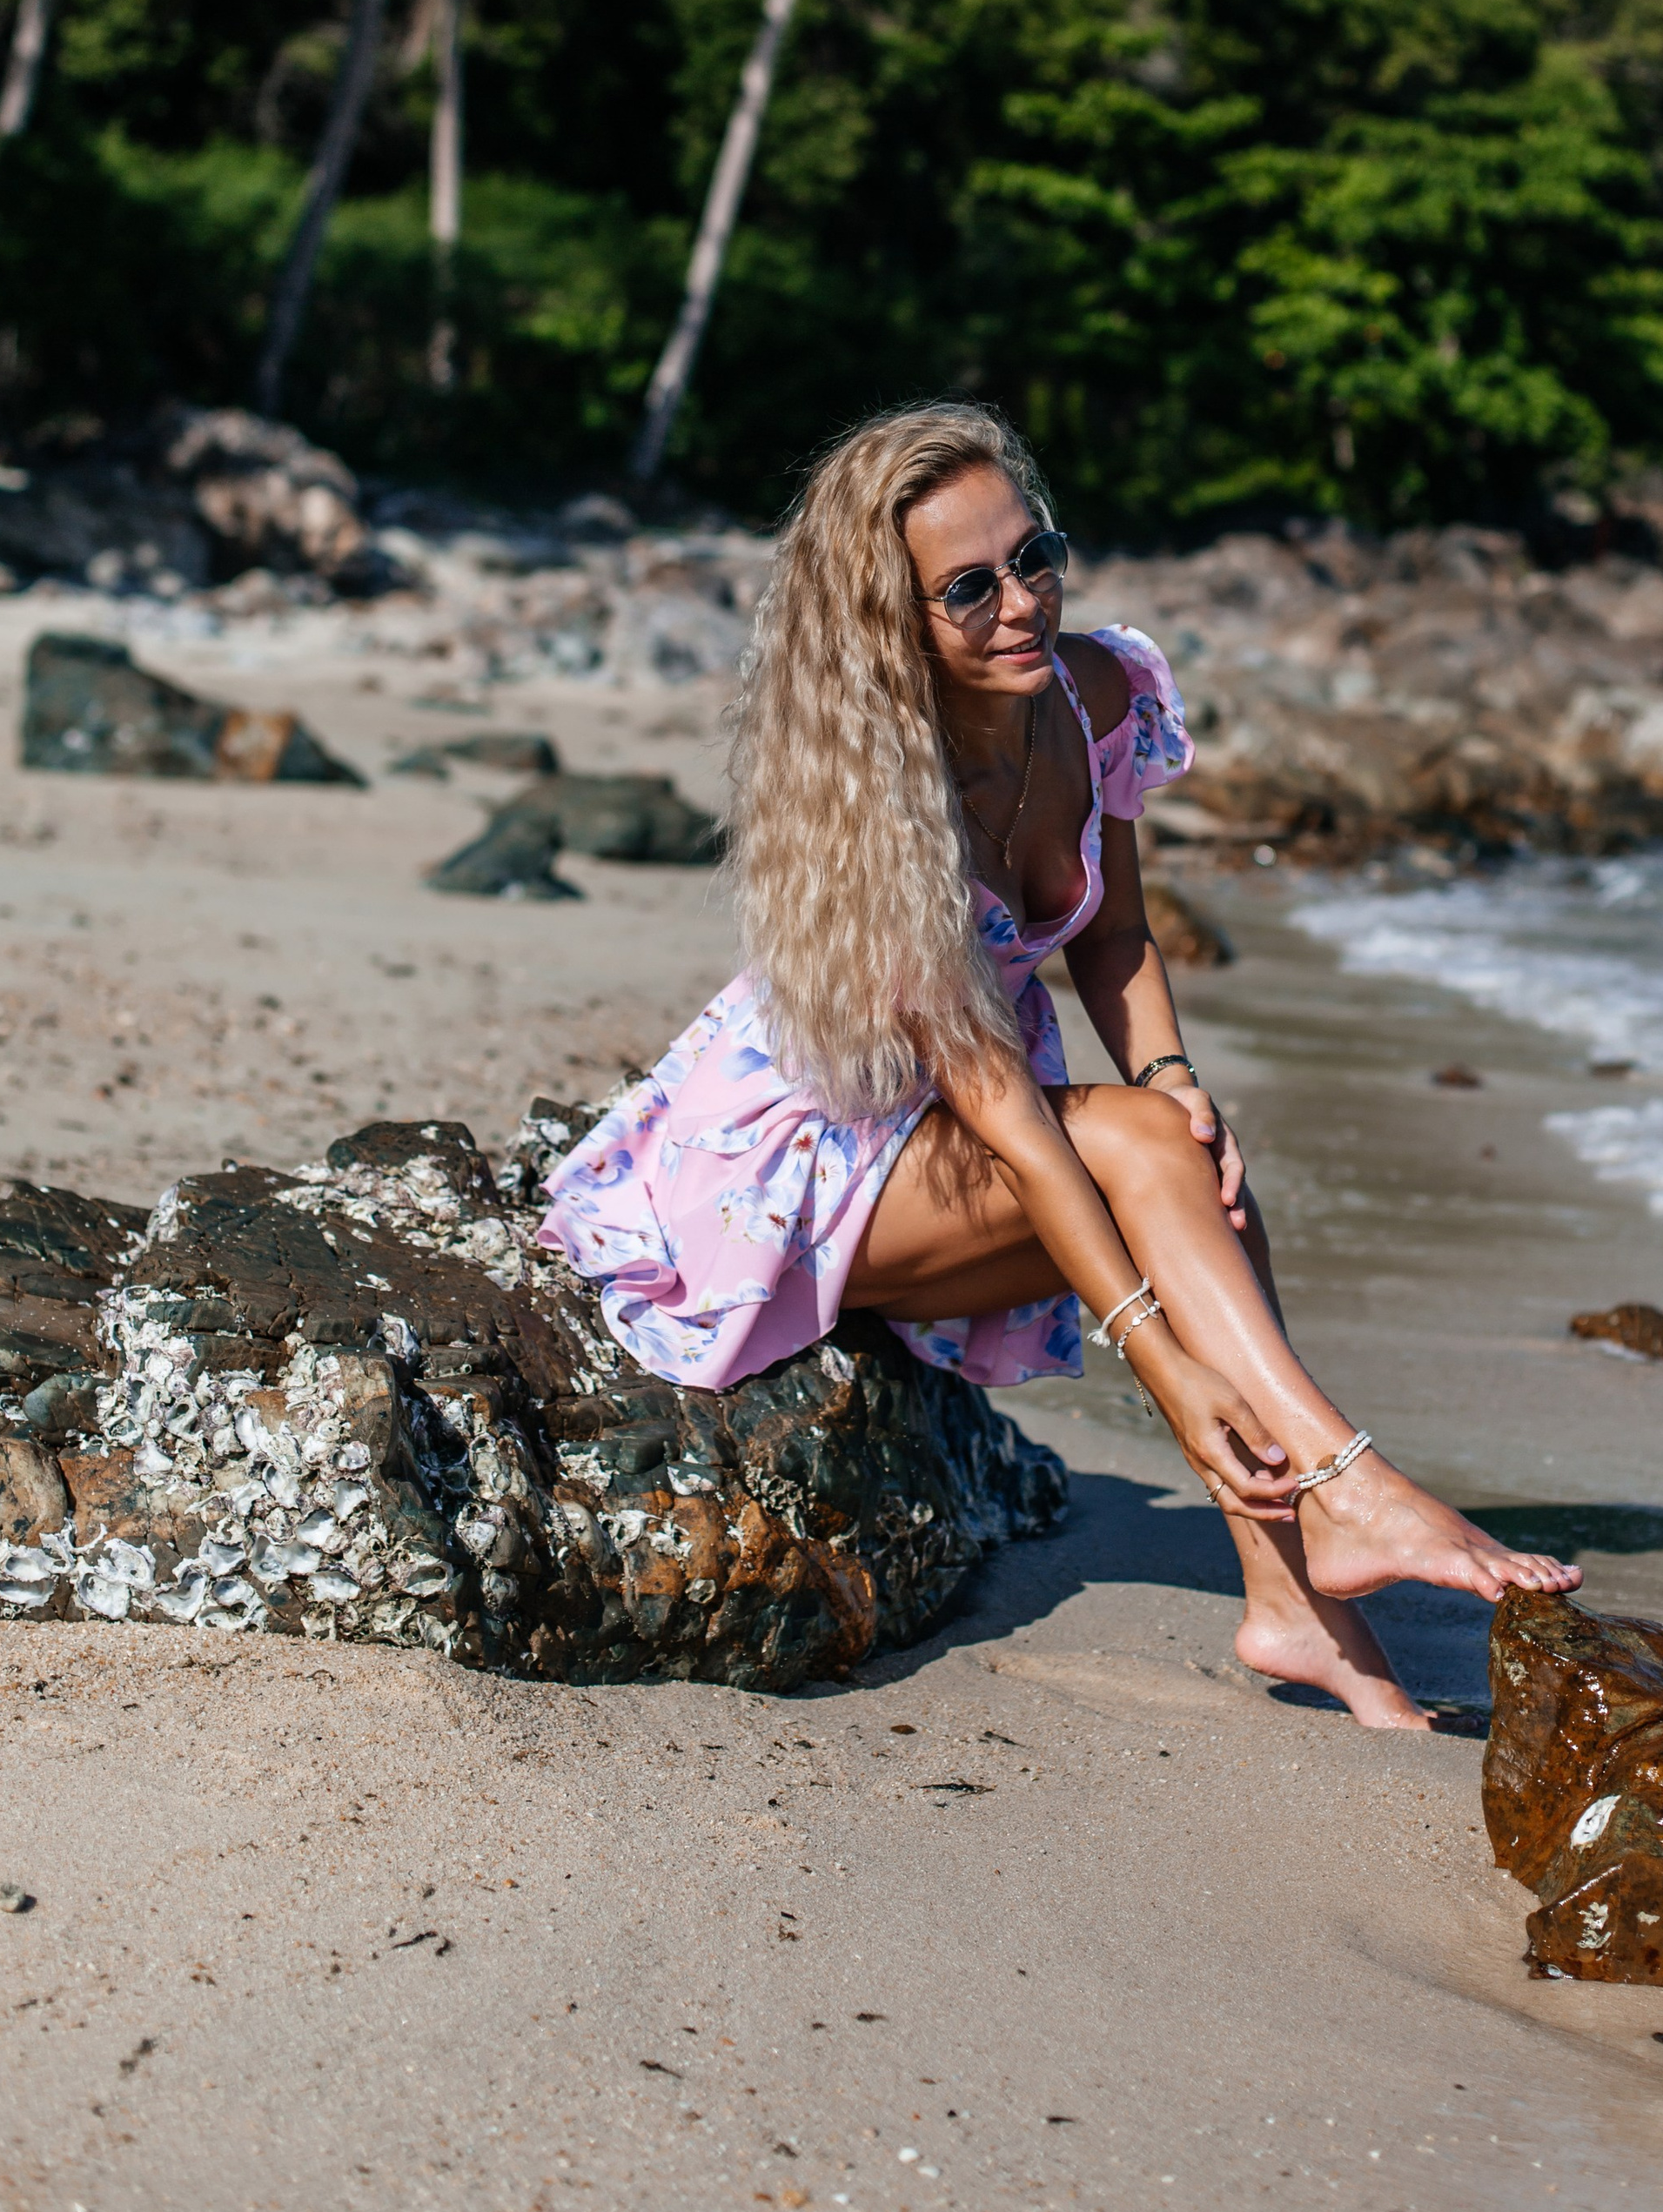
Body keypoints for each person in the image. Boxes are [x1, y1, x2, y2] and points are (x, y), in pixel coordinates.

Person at [540, 402, 1577, 1726]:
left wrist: (1174, 1077)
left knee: (1189, 1156)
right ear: (889, 622)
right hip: (803, 1167)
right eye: (968, 588)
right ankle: (1348, 1485)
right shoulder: (880, 798)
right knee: (1147, 1155)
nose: (1022, 602)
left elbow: (1118, 936)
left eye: (1035, 557)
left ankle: (1299, 1609)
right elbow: (1009, 1118)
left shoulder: (1093, 694)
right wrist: (1164, 1369)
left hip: (962, 1136)